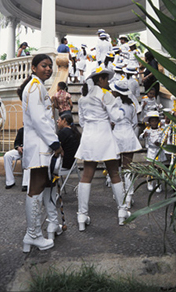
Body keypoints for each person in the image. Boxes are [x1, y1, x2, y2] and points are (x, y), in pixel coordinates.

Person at [16, 54, 65, 252]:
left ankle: (34, 234)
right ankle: (33, 234)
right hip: (39, 146)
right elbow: (39, 120)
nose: (48, 69)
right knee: (35, 189)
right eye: (44, 65)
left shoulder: (37, 86)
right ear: (34, 67)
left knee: (40, 187)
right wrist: (55, 143)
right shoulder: (35, 87)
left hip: (39, 145)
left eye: (50, 66)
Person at [74, 66, 130, 230]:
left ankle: (82, 215)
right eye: (106, 79)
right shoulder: (106, 95)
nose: (108, 82)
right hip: (104, 135)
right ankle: (122, 211)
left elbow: (82, 122)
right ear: (100, 80)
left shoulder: (83, 98)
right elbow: (117, 117)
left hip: (89, 136)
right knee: (114, 172)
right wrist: (120, 108)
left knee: (86, 175)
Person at [109, 80, 142, 208]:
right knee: (128, 168)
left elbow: (110, 121)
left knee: (115, 169)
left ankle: (119, 195)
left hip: (116, 136)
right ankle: (128, 197)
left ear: (116, 92)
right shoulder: (131, 105)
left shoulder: (112, 105)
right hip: (129, 136)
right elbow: (134, 123)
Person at [139, 111, 167, 192]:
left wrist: (160, 144)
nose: (154, 123)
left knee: (159, 168)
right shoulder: (147, 130)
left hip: (159, 151)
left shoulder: (161, 130)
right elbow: (141, 137)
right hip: (151, 151)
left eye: (155, 121)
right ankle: (150, 182)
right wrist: (144, 135)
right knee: (151, 168)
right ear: (149, 122)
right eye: (152, 121)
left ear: (158, 121)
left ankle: (159, 183)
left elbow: (164, 140)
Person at [3, 127, 30, 192]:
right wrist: (18, 147)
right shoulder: (21, 130)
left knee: (26, 157)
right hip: (21, 151)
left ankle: (26, 184)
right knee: (7, 156)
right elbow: (16, 142)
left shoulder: (35, 130)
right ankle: (10, 181)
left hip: (31, 152)